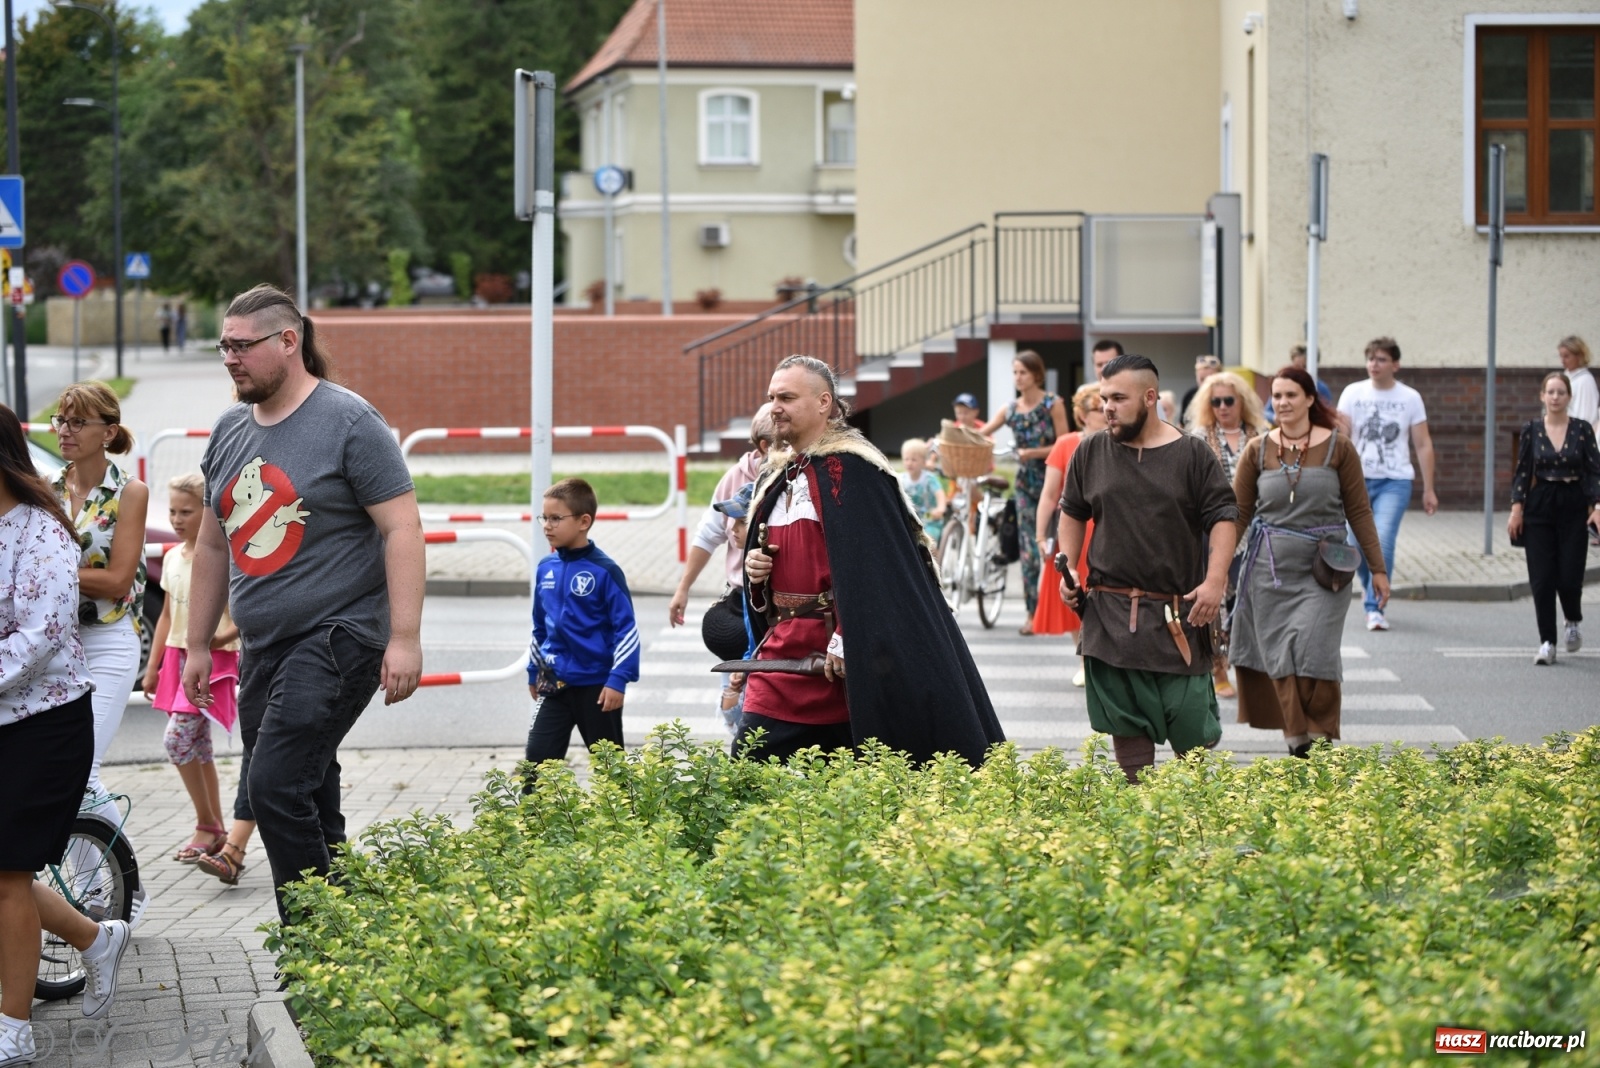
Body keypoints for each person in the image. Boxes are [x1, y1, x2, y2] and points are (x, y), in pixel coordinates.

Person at [182, 283, 424, 925]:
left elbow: (403, 529)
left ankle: (312, 943)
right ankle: (353, 933)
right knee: (310, 791)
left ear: (288, 341)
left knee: (273, 785)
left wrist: (405, 637)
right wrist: (198, 643)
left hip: (339, 635)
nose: (229, 359)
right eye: (223, 346)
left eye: (242, 346)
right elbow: (212, 544)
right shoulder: (229, 430)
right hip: (264, 645)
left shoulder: (350, 422)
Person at [738, 355, 1005, 766]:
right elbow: (775, 575)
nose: (775, 407)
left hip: (844, 660)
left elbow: (879, 571)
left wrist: (849, 640)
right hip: (782, 654)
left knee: (860, 776)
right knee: (749, 759)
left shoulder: (854, 471)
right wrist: (757, 575)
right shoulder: (776, 474)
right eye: (772, 397)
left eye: (786, 398)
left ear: (824, 402)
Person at [0, 403, 132, 1062]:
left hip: (42, 724)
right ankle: (95, 938)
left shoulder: (43, 530)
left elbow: (42, 636)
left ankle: (13, 1030)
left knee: (7, 876)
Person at [1057, 354, 1238, 785]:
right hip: (1110, 615)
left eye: (1119, 398)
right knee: (1127, 733)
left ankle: (1196, 815)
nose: (1108, 407)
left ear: (1150, 397)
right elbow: (1073, 511)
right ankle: (1138, 813)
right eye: (1104, 398)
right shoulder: (1091, 450)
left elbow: (1223, 517)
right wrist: (1070, 567)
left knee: (1192, 731)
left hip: (1178, 615)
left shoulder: (1192, 454)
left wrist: (1215, 581)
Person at [1229, 367, 1389, 757]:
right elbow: (1236, 515)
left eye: (1291, 395)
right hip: (1269, 572)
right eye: (1276, 396)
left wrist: (1378, 570)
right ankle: (1298, 740)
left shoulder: (1339, 448)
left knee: (1314, 653)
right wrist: (1214, 572)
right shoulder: (1257, 450)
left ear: (1310, 399)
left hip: (1325, 571)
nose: (1282, 403)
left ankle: (1317, 735)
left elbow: (1360, 512)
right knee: (1281, 657)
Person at [51, 385, 149, 846]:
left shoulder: (130, 492)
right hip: (57, 642)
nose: (64, 431)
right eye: (61, 420)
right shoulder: (47, 489)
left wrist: (50, 575)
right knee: (56, 772)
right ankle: (98, 883)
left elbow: (117, 581)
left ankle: (124, 879)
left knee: (82, 770)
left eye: (77, 422)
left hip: (110, 638)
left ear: (107, 432)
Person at [141, 473, 242, 867]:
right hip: (178, 658)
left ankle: (207, 824)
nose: (176, 519)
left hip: (212, 661)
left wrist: (219, 639)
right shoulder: (171, 557)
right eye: (172, 511)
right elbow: (167, 616)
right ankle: (215, 828)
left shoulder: (223, 557)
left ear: (206, 511)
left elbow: (243, 614)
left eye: (186, 512)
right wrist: (154, 666)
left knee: (177, 741)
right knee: (198, 746)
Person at [524, 478, 640, 772]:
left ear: (583, 521)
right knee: (537, 764)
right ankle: (535, 805)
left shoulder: (605, 571)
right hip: (553, 682)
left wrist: (618, 679)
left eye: (555, 518)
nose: (547, 526)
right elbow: (540, 626)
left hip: (597, 688)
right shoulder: (545, 568)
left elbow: (626, 631)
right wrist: (533, 669)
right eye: (544, 518)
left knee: (611, 771)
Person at [1336, 336, 1438, 632]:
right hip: (1356, 481)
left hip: (1395, 481)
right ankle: (1373, 585)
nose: (1374, 364)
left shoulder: (1410, 397)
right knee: (1355, 545)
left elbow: (1423, 444)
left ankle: (1374, 606)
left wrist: (1429, 489)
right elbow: (1340, 439)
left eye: (1381, 359)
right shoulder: (1352, 392)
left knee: (1382, 541)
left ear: (1395, 364)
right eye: (1370, 358)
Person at [1508, 371, 1600, 665]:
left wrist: (1597, 507)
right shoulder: (1531, 429)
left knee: (1570, 577)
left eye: (1561, 392)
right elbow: (1523, 471)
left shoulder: (1582, 430)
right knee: (1542, 578)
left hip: (1573, 504)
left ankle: (1572, 619)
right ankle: (1547, 642)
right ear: (1542, 396)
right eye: (1551, 392)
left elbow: (1594, 471)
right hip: (1540, 505)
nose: (1556, 397)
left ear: (1569, 397)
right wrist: (1516, 509)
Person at [1188, 370, 1269, 699]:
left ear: (1242, 402)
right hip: (1213, 532)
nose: (1222, 407)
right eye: (1215, 401)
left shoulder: (1262, 436)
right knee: (1217, 603)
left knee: (1250, 602)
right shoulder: (1197, 438)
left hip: (1255, 532)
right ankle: (1218, 669)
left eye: (1228, 401)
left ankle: (1249, 668)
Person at [669, 404, 774, 651]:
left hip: (784, 603)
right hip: (744, 598)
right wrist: (683, 589)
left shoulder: (801, 476)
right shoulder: (735, 478)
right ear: (765, 446)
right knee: (731, 654)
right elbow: (707, 535)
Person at [979, 350, 1068, 634]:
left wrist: (1033, 452)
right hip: (1026, 486)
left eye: (1023, 372)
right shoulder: (1010, 409)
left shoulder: (1053, 404)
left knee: (1062, 548)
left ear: (1036, 375)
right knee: (1029, 551)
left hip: (1055, 482)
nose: (1017, 378)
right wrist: (953, 437)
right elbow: (983, 432)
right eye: (1015, 372)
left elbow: (1065, 444)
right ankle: (1032, 614)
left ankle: (1068, 610)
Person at [1034, 383, 1104, 685]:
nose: (1105, 412)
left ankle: (1100, 658)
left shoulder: (1118, 442)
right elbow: (1050, 494)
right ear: (1082, 415)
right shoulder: (1065, 444)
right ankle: (1084, 658)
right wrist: (1040, 535)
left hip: (1107, 528)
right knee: (1074, 591)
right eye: (1098, 408)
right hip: (1074, 528)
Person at [1264, 344, 1335, 423]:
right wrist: (1274, 417)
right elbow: (1266, 412)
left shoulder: (1321, 388)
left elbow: (1328, 414)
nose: (1283, 403)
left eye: (1291, 395)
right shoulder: (1283, 386)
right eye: (1297, 367)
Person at [898, 437, 947, 543]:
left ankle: (935, 553)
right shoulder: (901, 479)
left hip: (930, 519)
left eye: (914, 460)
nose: (909, 463)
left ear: (924, 462)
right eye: (906, 459)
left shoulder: (929, 479)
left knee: (929, 541)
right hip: (910, 520)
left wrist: (941, 508)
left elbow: (940, 494)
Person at [1558, 336, 1597, 427]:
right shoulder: (1567, 376)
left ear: (1579, 356)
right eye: (1561, 356)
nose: (1562, 361)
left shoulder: (1585, 381)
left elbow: (1585, 415)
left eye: (1566, 356)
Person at [1178, 354, 1222, 427]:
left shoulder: (1225, 397)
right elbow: (1181, 425)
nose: (1205, 384)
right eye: (1202, 379)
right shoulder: (1190, 395)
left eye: (1209, 380)